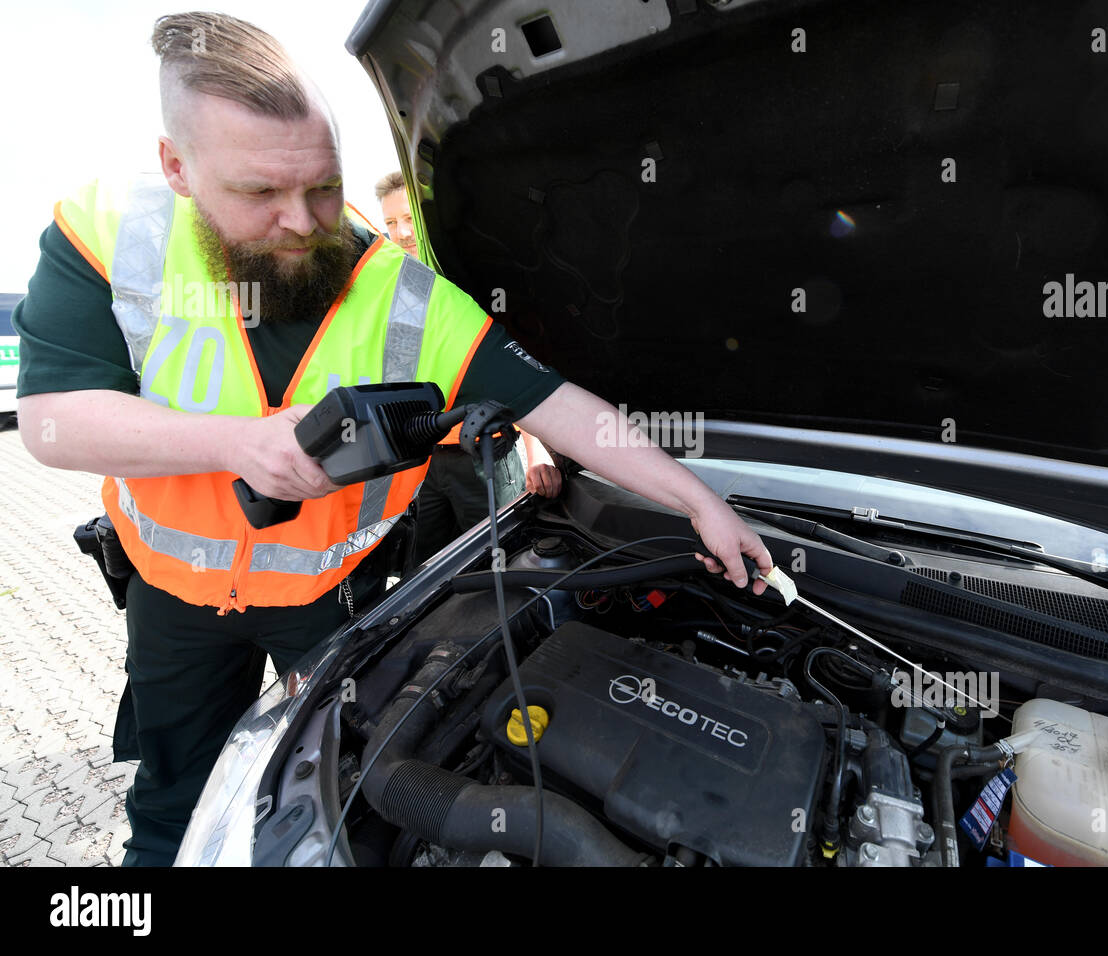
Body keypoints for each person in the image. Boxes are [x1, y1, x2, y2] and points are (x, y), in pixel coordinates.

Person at [13, 11, 771, 867]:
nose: (303, 222)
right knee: (172, 807)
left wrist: (699, 501)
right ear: (177, 168)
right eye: (261, 193)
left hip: (330, 600)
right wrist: (235, 445)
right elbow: (52, 422)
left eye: (324, 187)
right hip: (172, 596)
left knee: (345, 794)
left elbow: (560, 406)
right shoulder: (111, 235)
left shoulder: (410, 300)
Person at [374, 171, 562, 561]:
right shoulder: (388, 293)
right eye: (391, 223)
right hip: (421, 466)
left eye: (409, 218)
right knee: (424, 574)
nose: (402, 231)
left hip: (483, 458)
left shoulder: (467, 287)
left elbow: (516, 372)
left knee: (495, 566)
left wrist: (538, 448)